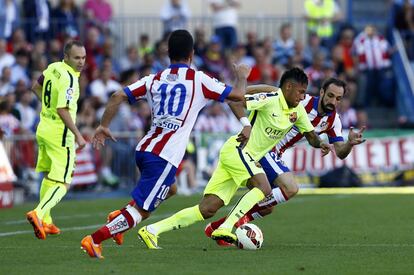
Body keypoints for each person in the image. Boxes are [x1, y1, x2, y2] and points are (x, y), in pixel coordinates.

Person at [80, 29, 250, 259]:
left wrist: (104, 125)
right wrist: (241, 75)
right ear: (191, 54)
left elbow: (117, 95)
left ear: (168, 53)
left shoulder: (154, 79)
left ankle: (119, 217)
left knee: (171, 189)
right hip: (164, 156)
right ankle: (95, 239)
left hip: (145, 148)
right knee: (142, 210)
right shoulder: (198, 80)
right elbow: (238, 96)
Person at [137, 67, 332, 249]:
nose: (303, 97)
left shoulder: (297, 111)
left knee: (207, 209)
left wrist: (320, 143)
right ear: (288, 87)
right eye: (300, 92)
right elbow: (235, 102)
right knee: (263, 188)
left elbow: (311, 135)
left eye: (305, 93)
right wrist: (246, 125)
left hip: (240, 157)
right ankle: (225, 227)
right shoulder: (271, 98)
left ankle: (152, 230)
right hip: (239, 150)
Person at [205, 77, 366, 246]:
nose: (333, 101)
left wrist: (349, 144)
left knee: (266, 207)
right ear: (322, 92)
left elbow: (340, 152)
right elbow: (274, 91)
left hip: (276, 154)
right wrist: (244, 91)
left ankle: (216, 228)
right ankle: (231, 223)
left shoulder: (333, 121)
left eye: (338, 98)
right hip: (265, 147)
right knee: (290, 187)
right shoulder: (302, 102)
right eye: (330, 95)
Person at [26, 40, 87, 240]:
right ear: (67, 57)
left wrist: (47, 108)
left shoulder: (53, 67)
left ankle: (47, 221)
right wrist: (78, 134)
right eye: (77, 57)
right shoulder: (70, 79)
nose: (81, 62)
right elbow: (63, 109)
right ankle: (39, 213)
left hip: (44, 127)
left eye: (83, 58)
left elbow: (36, 86)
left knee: (49, 175)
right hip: (60, 133)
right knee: (64, 182)